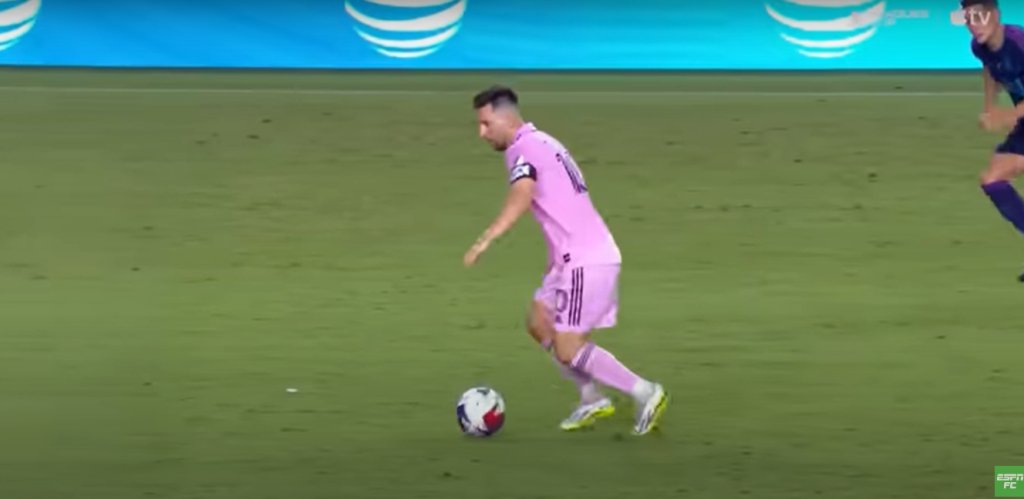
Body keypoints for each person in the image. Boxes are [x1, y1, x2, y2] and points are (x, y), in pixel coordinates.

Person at [462, 85, 668, 435]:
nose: (481, 133)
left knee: (569, 347)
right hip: (570, 260)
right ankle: (591, 398)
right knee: (538, 321)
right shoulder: (543, 141)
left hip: (586, 260)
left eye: (485, 124)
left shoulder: (521, 149)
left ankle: (645, 391)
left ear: (505, 118)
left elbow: (522, 194)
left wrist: (486, 239)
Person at [965, 0, 1024, 281]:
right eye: (968, 18)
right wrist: (990, 107)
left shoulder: (1019, 44)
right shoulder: (980, 47)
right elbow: (990, 69)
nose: (973, 24)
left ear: (996, 15)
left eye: (979, 16)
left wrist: (1009, 114)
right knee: (993, 179)